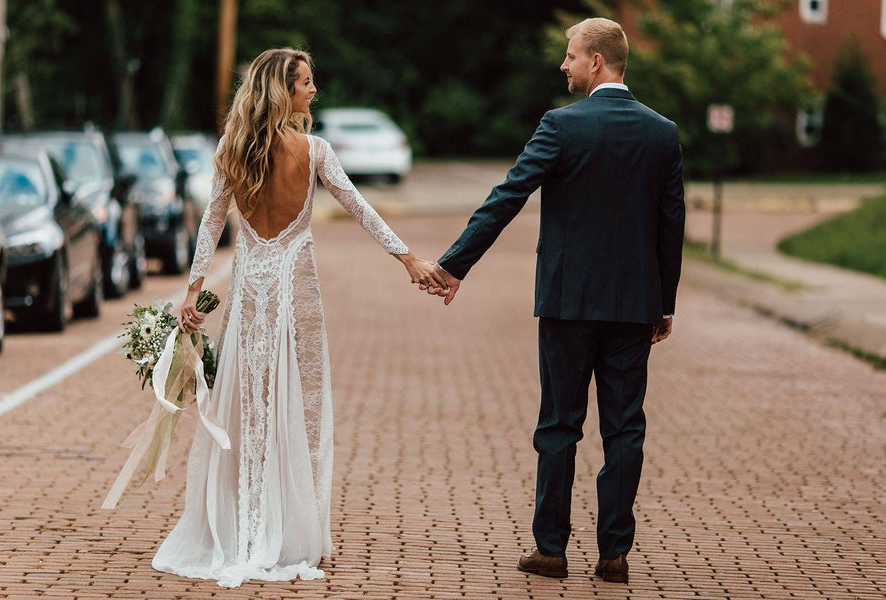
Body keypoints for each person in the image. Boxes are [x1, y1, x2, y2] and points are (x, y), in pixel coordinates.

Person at [157, 48, 445, 588]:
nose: (314, 91)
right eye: (306, 83)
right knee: (298, 404)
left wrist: (193, 291)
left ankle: (244, 525)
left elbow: (210, 226)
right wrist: (407, 258)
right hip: (295, 287)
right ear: (283, 90)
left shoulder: (231, 149)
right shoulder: (313, 151)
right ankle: (289, 530)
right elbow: (361, 207)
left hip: (249, 288)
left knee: (248, 401)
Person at [425, 18, 685, 583]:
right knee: (625, 428)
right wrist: (663, 303)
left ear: (597, 62)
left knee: (559, 425)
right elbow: (671, 225)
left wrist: (453, 265)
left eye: (570, 57)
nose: (562, 66)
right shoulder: (663, 133)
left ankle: (551, 549)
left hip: (567, 303)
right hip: (633, 306)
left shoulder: (562, 126)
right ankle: (614, 554)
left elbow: (509, 194)